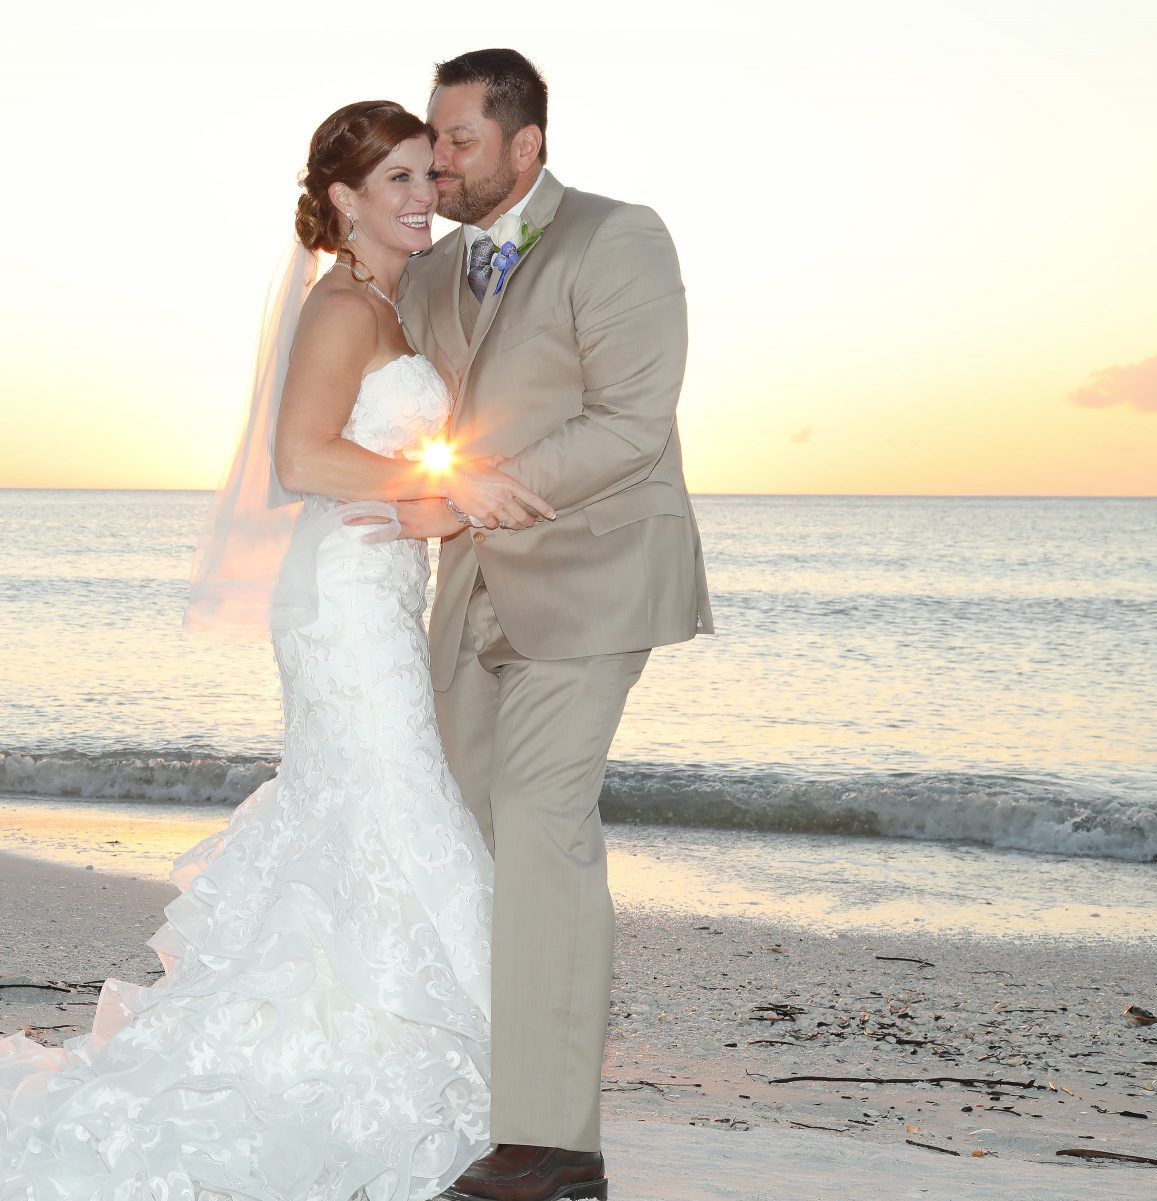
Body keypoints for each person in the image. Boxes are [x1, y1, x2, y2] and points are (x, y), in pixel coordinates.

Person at [0, 99, 546, 1201]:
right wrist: (447, 480)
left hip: (370, 585)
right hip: (342, 608)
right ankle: (425, 1060)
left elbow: (372, 471)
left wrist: (439, 504)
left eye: (428, 175)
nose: (423, 198)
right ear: (343, 202)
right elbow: (303, 461)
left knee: (371, 807)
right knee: (390, 804)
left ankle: (411, 1050)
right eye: (399, 181)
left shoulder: (382, 303)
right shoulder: (340, 311)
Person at [397, 49, 715, 1201]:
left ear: (525, 145)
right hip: (468, 589)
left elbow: (634, 419)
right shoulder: (428, 279)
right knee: (478, 828)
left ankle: (553, 1145)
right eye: (432, 138)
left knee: (540, 815)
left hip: (593, 573)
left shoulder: (619, 238)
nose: (439, 158)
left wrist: (474, 484)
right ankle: (492, 1089)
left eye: (461, 140)